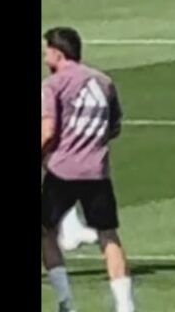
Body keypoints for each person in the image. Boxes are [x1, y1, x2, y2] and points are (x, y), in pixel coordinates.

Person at [42, 27, 134, 312]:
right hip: (97, 171)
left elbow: (48, 131)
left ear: (58, 53)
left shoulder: (53, 85)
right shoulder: (104, 81)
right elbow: (114, 127)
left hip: (62, 172)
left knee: (45, 231)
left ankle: (66, 301)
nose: (44, 57)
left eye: (46, 52)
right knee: (109, 236)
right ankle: (125, 305)